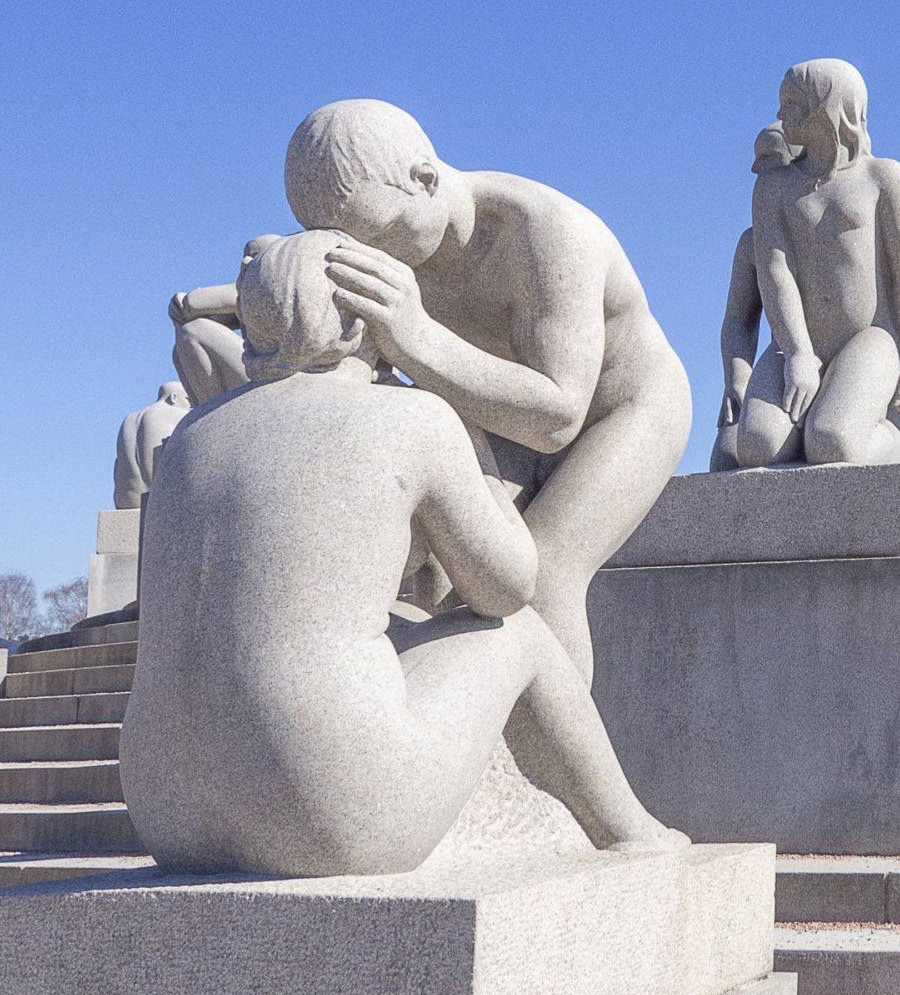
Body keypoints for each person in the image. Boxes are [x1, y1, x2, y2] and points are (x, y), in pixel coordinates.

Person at [119, 232, 683, 878]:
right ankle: (629, 831)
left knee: (404, 628)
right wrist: (471, 438)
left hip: (165, 808)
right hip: (327, 809)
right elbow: (508, 586)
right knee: (521, 635)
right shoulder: (415, 418)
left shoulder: (192, 435)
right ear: (366, 322)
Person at [284, 100, 691, 681]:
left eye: (383, 235)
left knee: (545, 576)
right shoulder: (397, 241)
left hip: (621, 409)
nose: (378, 259)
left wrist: (416, 338)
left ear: (425, 179)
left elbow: (556, 416)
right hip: (489, 410)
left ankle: (562, 744)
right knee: (436, 561)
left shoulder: (545, 233)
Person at [733, 58, 900, 469]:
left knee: (831, 443)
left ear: (828, 107)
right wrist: (798, 353)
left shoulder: (882, 177)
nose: (780, 113)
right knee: (757, 446)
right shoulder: (772, 188)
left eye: (792, 103)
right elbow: (776, 273)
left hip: (869, 338)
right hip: (796, 343)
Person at [709, 124, 795, 472]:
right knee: (727, 457)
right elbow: (738, 321)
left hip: (834, 360)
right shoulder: (751, 243)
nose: (755, 169)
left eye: (769, 157)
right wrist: (737, 378)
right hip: (777, 363)